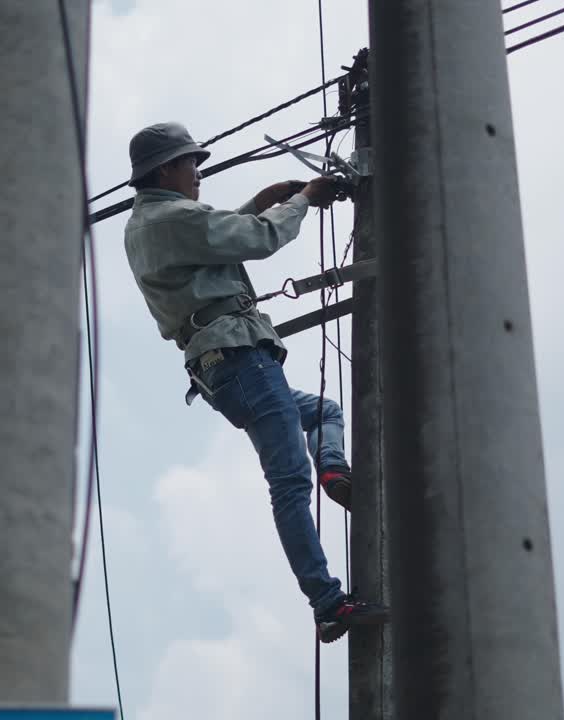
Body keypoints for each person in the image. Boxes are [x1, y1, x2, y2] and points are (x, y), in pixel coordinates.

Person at [121, 121, 389, 643]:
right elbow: (257, 239)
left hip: (225, 367)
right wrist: (304, 200)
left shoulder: (153, 221)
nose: (198, 174)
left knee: (322, 412)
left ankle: (334, 471)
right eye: (190, 164)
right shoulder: (171, 218)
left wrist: (265, 199)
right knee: (289, 479)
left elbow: (214, 237)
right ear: (164, 169)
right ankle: (328, 603)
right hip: (240, 358)